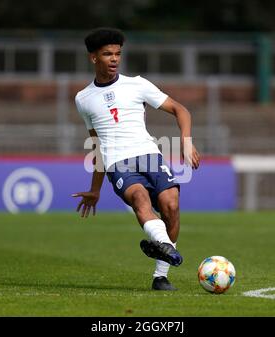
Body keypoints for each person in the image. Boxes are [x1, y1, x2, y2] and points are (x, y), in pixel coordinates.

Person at [73, 27, 200, 291]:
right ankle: (165, 246)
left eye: (118, 54)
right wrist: (95, 189)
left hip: (150, 156)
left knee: (171, 205)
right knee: (140, 199)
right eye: (107, 54)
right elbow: (96, 145)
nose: (114, 59)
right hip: (118, 163)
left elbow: (180, 110)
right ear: (93, 58)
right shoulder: (83, 99)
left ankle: (160, 275)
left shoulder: (137, 84)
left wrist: (186, 142)